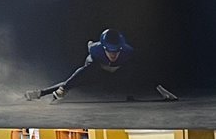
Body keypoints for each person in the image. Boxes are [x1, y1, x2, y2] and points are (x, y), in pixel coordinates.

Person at [38, 27, 176, 102]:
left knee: (134, 68)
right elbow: (81, 73)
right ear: (103, 48)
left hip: (118, 74)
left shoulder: (128, 52)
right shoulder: (95, 49)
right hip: (98, 71)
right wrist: (64, 88)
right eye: (110, 51)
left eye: (116, 51)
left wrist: (160, 89)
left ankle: (133, 93)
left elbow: (143, 71)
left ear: (121, 48)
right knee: (86, 70)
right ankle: (51, 91)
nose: (113, 55)